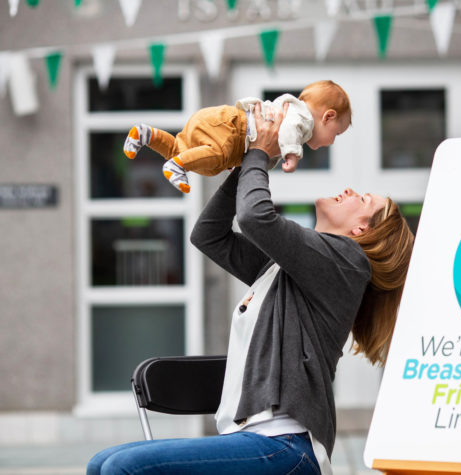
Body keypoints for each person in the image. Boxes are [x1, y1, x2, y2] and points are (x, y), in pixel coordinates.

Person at [87, 104, 414, 474]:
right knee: (102, 463)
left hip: (286, 446)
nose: (353, 191)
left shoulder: (347, 263)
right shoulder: (286, 269)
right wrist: (245, 160)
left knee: (124, 468)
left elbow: (255, 217)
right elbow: (208, 235)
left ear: (360, 232)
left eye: (364, 200)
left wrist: (261, 151)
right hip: (252, 441)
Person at [122, 80, 351, 193]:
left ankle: (147, 135)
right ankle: (177, 166)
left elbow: (266, 154)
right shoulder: (302, 116)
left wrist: (242, 166)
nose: (332, 142)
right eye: (337, 134)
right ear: (327, 117)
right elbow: (289, 130)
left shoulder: (293, 112)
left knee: (181, 148)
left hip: (219, 123)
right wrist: (293, 154)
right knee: (216, 155)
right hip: (231, 127)